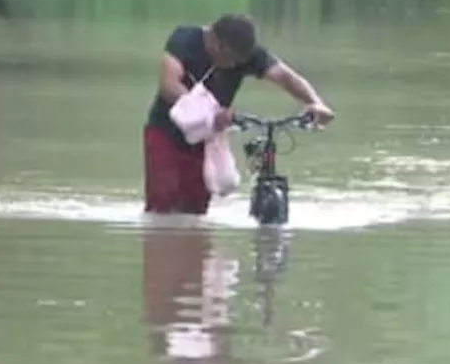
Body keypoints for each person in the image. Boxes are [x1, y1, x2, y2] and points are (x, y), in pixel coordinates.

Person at [143, 13, 334, 215]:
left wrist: (316, 103)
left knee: (196, 209)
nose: (234, 65)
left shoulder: (246, 55)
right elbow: (169, 85)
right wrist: (209, 112)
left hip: (207, 139)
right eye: (230, 58)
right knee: (161, 206)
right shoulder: (184, 39)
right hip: (166, 132)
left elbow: (286, 77)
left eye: (239, 61)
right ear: (216, 42)